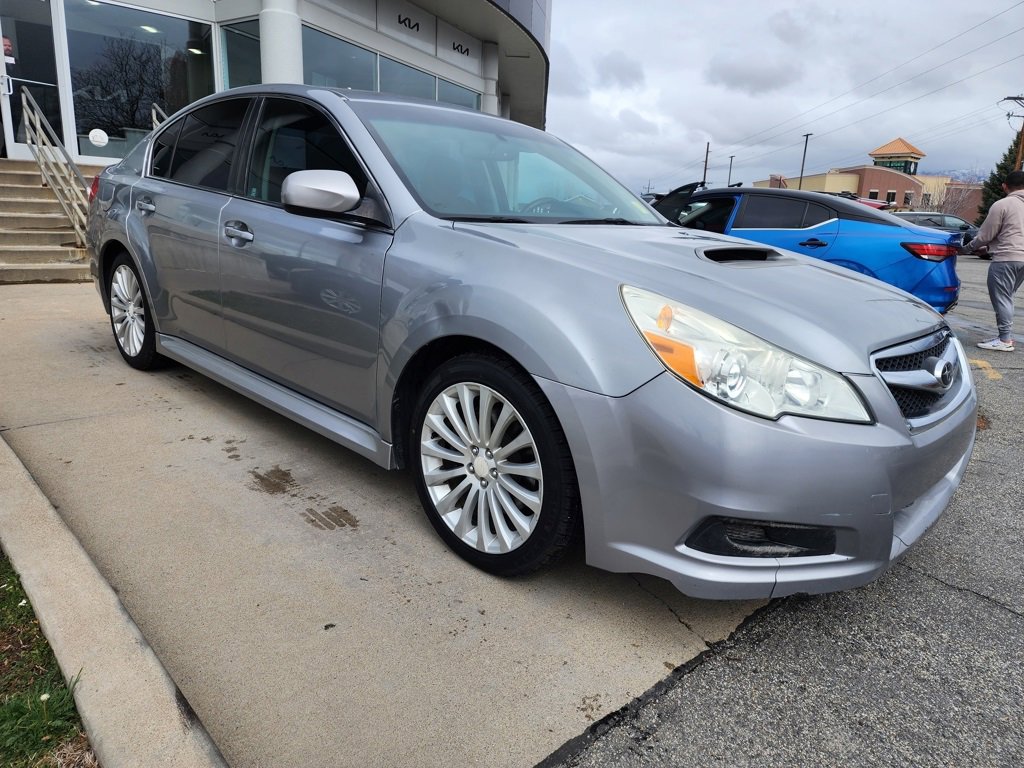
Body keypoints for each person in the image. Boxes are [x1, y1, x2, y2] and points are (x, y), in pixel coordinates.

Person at [970, 169, 1024, 351]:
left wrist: (967, 248)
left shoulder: (1002, 204)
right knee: (1007, 297)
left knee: (1002, 298)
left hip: (1006, 259)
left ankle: (1005, 340)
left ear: (1004, 186)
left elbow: (985, 235)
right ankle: (1004, 337)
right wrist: (988, 249)